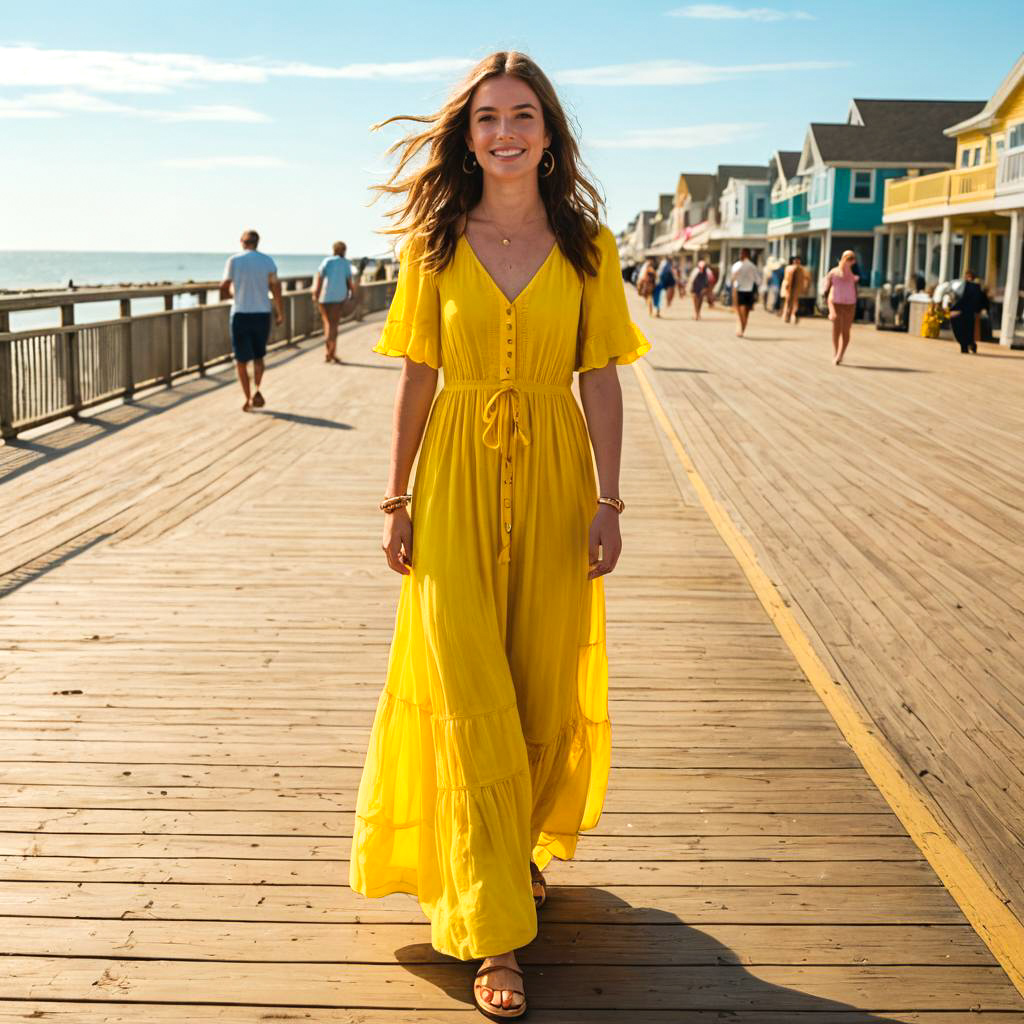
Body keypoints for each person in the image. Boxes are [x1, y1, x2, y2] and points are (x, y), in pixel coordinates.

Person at [349, 51, 649, 1021]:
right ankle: (494, 936)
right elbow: (417, 377)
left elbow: (601, 373)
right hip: (455, 488)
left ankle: (510, 854)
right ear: (467, 134)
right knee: (469, 685)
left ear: (549, 133)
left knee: (537, 678)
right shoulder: (432, 244)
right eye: (487, 118)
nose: (505, 131)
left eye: (523, 115)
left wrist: (610, 501)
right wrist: (394, 501)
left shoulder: (588, 247)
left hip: (559, 481)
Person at [219, 229, 283, 412]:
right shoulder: (267, 261)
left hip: (240, 314)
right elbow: (276, 288)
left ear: (242, 242)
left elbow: (223, 286)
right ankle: (257, 389)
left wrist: (233, 295)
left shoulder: (234, 261)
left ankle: (247, 398)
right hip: (262, 314)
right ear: (258, 242)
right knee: (259, 356)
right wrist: (280, 312)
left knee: (241, 360)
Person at [313, 241, 359, 364]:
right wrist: (353, 294)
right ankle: (330, 353)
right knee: (333, 326)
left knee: (327, 324)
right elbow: (349, 282)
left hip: (324, 298)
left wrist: (316, 295)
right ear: (343, 250)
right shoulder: (345, 263)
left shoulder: (326, 261)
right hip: (338, 299)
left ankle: (330, 354)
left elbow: (320, 279)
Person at [823, 249, 858, 365]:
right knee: (836, 330)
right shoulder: (834, 272)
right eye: (847, 258)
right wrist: (830, 309)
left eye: (852, 258)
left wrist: (849, 266)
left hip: (850, 304)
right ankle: (836, 351)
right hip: (836, 303)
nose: (849, 260)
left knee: (846, 330)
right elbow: (827, 291)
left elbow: (856, 279)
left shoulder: (853, 271)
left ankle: (840, 353)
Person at [949, 270, 984, 354]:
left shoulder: (975, 287)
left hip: (968, 312)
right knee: (960, 330)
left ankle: (967, 346)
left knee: (966, 330)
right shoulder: (960, 285)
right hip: (959, 312)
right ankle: (966, 345)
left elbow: (979, 299)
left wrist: (977, 310)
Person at [729, 247, 761, 337]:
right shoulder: (736, 265)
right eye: (740, 253)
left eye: (743, 253)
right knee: (740, 310)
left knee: (746, 311)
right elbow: (732, 279)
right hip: (738, 290)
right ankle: (740, 328)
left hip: (748, 290)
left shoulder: (752, 266)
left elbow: (758, 280)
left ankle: (742, 328)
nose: (741, 255)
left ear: (747, 255)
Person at [782, 255, 809, 324]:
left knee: (795, 302)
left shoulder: (802, 269)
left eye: (798, 260)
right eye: (795, 260)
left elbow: (806, 278)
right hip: (789, 287)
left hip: (797, 287)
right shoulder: (789, 268)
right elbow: (787, 278)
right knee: (787, 301)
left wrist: (805, 287)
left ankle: (792, 315)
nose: (796, 261)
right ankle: (786, 315)